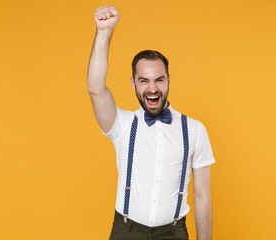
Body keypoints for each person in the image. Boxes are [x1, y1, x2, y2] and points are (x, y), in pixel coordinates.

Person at [87, 5, 216, 240]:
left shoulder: (195, 131)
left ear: (168, 81)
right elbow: (95, 89)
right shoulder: (122, 125)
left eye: (159, 79)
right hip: (127, 232)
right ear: (133, 83)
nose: (153, 88)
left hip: (174, 233)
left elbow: (203, 198)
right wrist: (104, 32)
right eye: (144, 80)